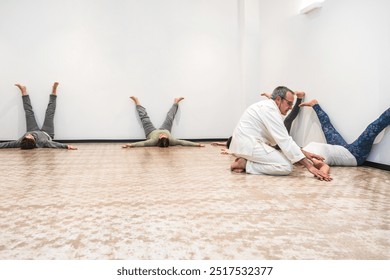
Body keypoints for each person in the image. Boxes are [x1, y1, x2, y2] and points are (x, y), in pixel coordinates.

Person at [229, 86, 332, 181]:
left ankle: (245, 161)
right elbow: (285, 141)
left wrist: (305, 153)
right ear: (278, 99)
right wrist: (310, 167)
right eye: (289, 103)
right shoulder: (269, 110)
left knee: (288, 158)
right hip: (249, 145)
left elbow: (283, 140)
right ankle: (245, 164)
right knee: (285, 167)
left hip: (247, 144)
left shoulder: (268, 108)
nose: (291, 107)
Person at [300, 99, 389, 167]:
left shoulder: (302, 150)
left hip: (340, 148)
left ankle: (315, 104)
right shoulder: (311, 161)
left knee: (326, 126)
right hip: (354, 156)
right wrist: (321, 173)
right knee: (372, 129)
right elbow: (323, 167)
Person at [211, 91, 305, 151]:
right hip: (277, 144)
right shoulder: (239, 145)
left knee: (288, 120)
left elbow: (229, 143)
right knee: (288, 121)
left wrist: (221, 144)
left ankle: (299, 98)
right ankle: (299, 99)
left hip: (276, 141)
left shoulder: (236, 143)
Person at [0, 83, 77, 150]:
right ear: (34, 141)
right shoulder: (43, 141)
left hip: (32, 129)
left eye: (27, 136)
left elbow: (8, 144)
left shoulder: (21, 141)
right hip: (47, 133)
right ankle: (54, 90)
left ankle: (23, 91)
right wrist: (66, 146)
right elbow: (55, 144)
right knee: (49, 113)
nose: (29, 135)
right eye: (30, 136)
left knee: (28, 112)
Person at [122, 96, 205, 148]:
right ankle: (175, 102)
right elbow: (183, 142)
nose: (162, 134)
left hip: (151, 132)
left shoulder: (153, 141)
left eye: (161, 136)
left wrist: (131, 145)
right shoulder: (172, 140)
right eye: (164, 136)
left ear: (158, 139)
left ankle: (137, 102)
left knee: (145, 118)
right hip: (166, 128)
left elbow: (143, 144)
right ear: (168, 138)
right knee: (170, 117)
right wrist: (197, 145)